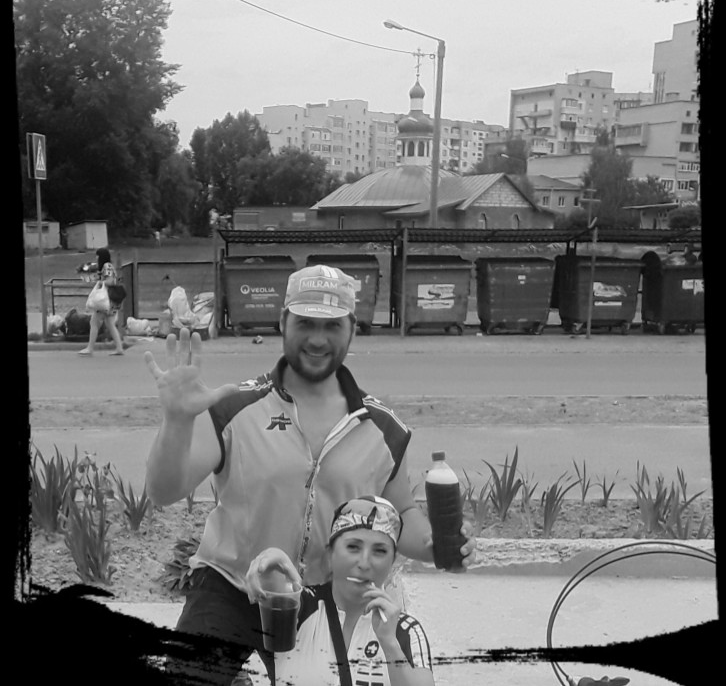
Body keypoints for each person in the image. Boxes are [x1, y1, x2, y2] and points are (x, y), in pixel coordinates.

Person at [143, 264, 475, 684]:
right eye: (305, 323)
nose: (318, 339)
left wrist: (436, 546)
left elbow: (400, 512)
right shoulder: (235, 409)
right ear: (283, 322)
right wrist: (176, 421)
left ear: (352, 328)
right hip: (231, 588)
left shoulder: (383, 428)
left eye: (332, 325)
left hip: (325, 598)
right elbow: (163, 491)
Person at [247, 495, 435, 686]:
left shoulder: (404, 630)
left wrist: (390, 644)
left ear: (392, 562)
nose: (364, 563)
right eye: (353, 547)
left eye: (379, 551)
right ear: (330, 554)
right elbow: (271, 580)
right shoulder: (299, 609)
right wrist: (270, 558)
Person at [78, 247, 124, 357]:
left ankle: (90, 348)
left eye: (98, 256)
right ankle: (119, 348)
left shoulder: (106, 266)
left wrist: (100, 282)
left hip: (105, 300)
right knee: (110, 324)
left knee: (94, 322)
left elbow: (110, 281)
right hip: (111, 300)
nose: (96, 258)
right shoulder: (109, 266)